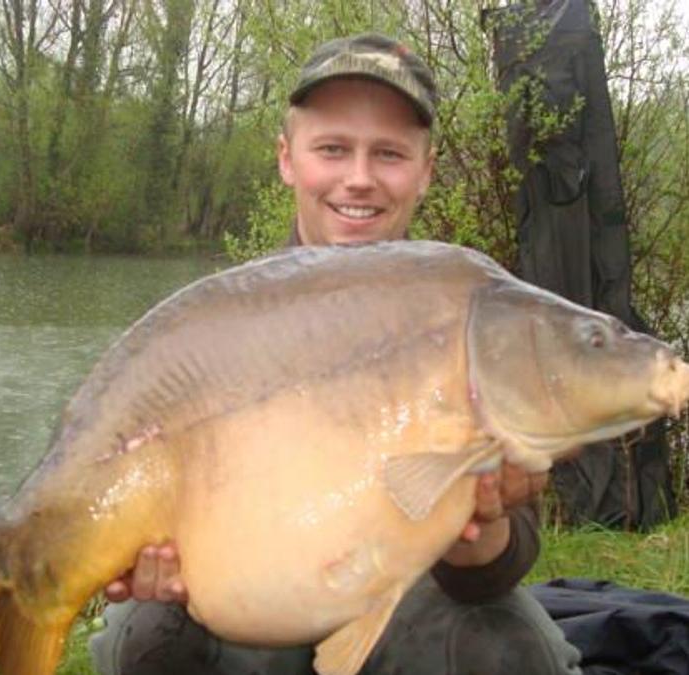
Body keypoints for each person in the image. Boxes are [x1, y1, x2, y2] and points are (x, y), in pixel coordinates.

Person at [90, 33, 583, 675]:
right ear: (287, 159)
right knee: (144, 636)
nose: (359, 178)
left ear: (426, 170)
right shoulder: (222, 325)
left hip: (404, 586)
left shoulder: (469, 313)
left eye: (389, 154)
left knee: (514, 651)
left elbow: (499, 566)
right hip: (251, 579)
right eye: (332, 149)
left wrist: (480, 525)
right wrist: (143, 549)